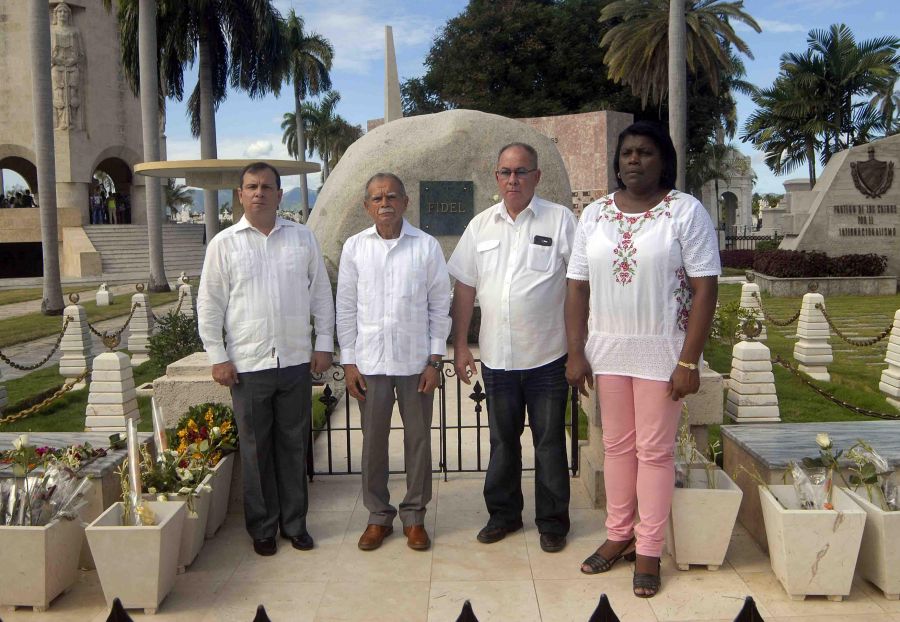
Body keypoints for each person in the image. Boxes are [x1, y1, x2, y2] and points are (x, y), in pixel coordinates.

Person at [565, 122, 720, 598]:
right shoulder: (593, 214)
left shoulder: (684, 212)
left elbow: (705, 287)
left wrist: (689, 362)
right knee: (616, 448)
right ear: (617, 161)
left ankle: (649, 548)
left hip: (661, 352)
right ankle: (619, 535)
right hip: (608, 350)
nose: (634, 160)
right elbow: (577, 285)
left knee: (653, 452)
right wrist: (576, 352)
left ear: (663, 160)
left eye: (645, 152)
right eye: (627, 152)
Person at [197, 162, 335, 557]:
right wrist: (217, 356)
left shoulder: (302, 238)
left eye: (267, 187)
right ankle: (262, 527)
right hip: (247, 366)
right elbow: (209, 305)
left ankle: (295, 524)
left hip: (294, 361)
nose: (259, 193)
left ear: (279, 194)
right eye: (251, 187)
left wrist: (323, 343)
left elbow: (321, 294)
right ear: (240, 194)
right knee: (256, 450)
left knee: (294, 446)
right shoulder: (223, 244)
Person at [448, 142, 576, 553]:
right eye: (505, 172)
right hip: (498, 360)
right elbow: (465, 287)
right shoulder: (480, 226)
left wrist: (579, 348)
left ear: (537, 176)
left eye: (521, 171)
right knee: (503, 443)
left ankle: (553, 523)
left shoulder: (560, 221)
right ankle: (503, 516)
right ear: (496, 177)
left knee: (550, 443)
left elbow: (579, 287)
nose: (513, 179)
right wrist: (461, 345)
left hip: (548, 358)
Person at [336, 172, 451, 552]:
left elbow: (439, 305)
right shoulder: (355, 247)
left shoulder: (426, 246)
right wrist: (349, 362)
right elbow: (346, 308)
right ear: (366, 205)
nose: (384, 203)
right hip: (370, 364)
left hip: (416, 363)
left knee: (418, 441)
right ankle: (377, 516)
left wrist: (435, 359)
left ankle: (415, 517)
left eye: (391, 196)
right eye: (376, 198)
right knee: (373, 443)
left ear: (405, 202)